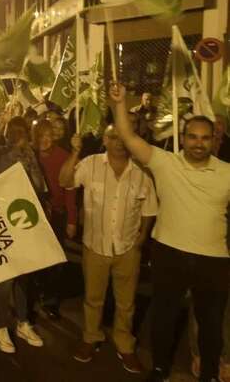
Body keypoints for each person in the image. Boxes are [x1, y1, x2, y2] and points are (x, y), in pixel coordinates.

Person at [111, 83, 230, 382]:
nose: (198, 143)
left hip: (213, 259)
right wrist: (120, 103)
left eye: (205, 137)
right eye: (192, 137)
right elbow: (127, 136)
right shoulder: (165, 163)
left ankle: (209, 373)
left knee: (211, 323)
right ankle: (160, 369)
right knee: (164, 317)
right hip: (169, 252)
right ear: (183, 138)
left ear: (214, 139)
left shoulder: (227, 173)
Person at [59, 125, 157, 374]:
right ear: (104, 139)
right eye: (113, 137)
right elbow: (65, 181)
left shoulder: (142, 172)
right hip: (95, 245)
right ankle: (91, 337)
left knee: (126, 302)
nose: (118, 142)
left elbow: (148, 209)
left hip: (128, 248)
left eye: (123, 137)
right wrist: (74, 152)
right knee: (93, 298)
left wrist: (142, 237)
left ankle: (124, 344)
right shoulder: (90, 164)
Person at [0, 116, 45, 354]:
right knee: (5, 278)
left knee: (24, 275)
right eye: (14, 132)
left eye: (21, 133)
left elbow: (39, 186)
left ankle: (22, 322)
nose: (18, 137)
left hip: (24, 220)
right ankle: (0, 326)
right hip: (3, 220)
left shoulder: (30, 155)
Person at [32, 119, 77, 320]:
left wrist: (72, 219)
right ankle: (36, 291)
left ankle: (50, 298)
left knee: (55, 258)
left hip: (56, 215)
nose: (44, 140)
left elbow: (70, 190)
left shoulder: (63, 156)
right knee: (36, 256)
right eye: (40, 136)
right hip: (35, 215)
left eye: (48, 136)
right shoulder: (29, 155)